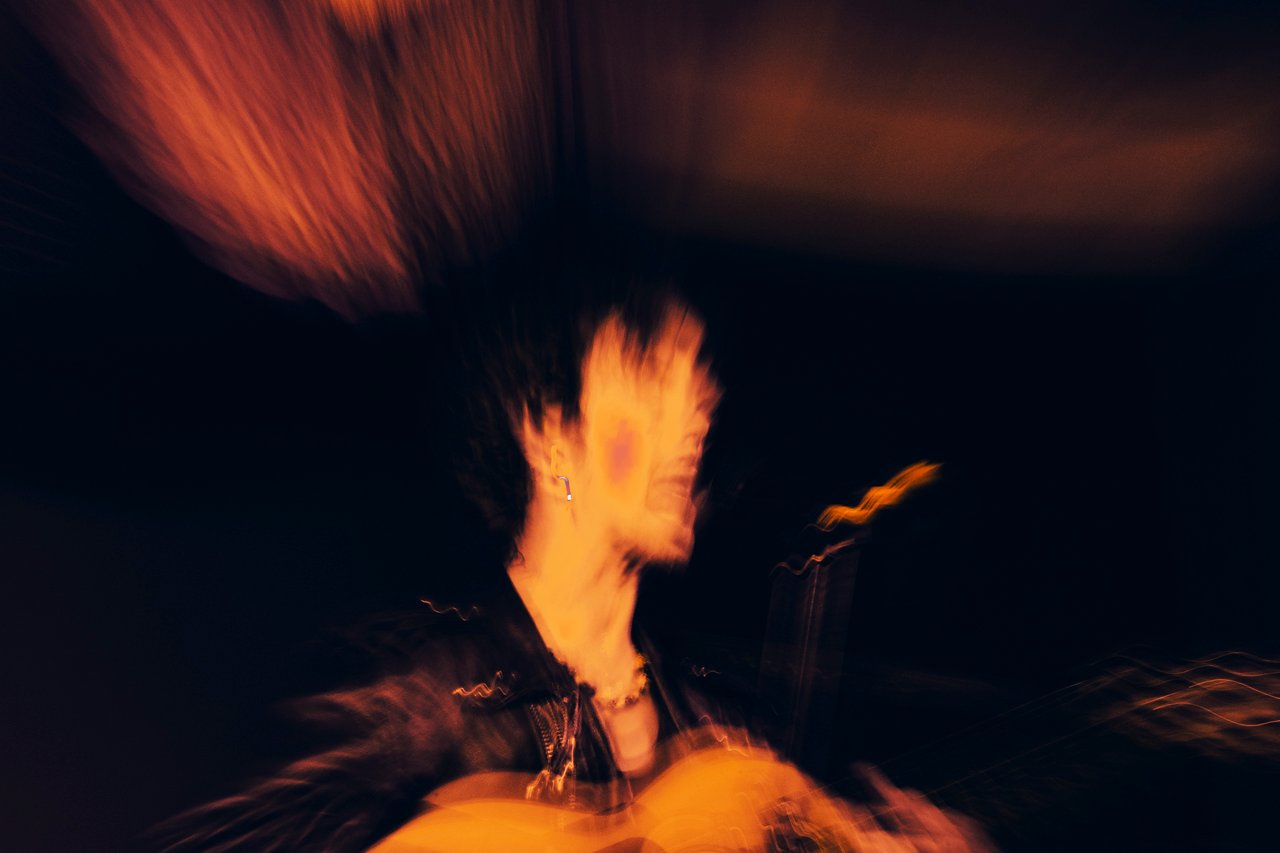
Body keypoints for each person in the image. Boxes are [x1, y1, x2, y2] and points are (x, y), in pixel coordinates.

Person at [163, 299, 987, 852]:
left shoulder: (726, 729)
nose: (696, 417)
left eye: (700, 391)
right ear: (549, 435)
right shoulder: (410, 689)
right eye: (653, 378)